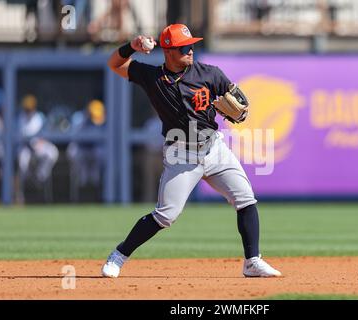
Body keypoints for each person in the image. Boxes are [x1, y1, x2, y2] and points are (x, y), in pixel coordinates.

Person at [102, 24, 281, 278]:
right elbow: (114, 64)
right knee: (166, 215)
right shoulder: (152, 77)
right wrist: (131, 46)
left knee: (245, 199)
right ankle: (118, 255)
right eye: (183, 47)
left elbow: (239, 103)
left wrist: (240, 111)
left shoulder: (210, 74)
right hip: (181, 155)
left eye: (192, 45)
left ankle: (252, 261)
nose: (190, 50)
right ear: (168, 51)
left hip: (214, 148)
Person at [17, 94, 59, 203]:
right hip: (26, 148)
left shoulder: (40, 117)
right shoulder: (19, 118)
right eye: (27, 108)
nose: (29, 110)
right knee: (22, 161)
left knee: (52, 152)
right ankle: (22, 191)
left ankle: (40, 177)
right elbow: (20, 137)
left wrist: (42, 141)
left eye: (30, 108)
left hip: (39, 146)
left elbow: (45, 133)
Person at [66, 99, 106, 201]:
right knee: (74, 153)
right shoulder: (78, 119)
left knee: (99, 154)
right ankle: (81, 186)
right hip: (80, 148)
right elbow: (74, 139)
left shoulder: (103, 120)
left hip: (94, 149)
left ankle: (95, 186)